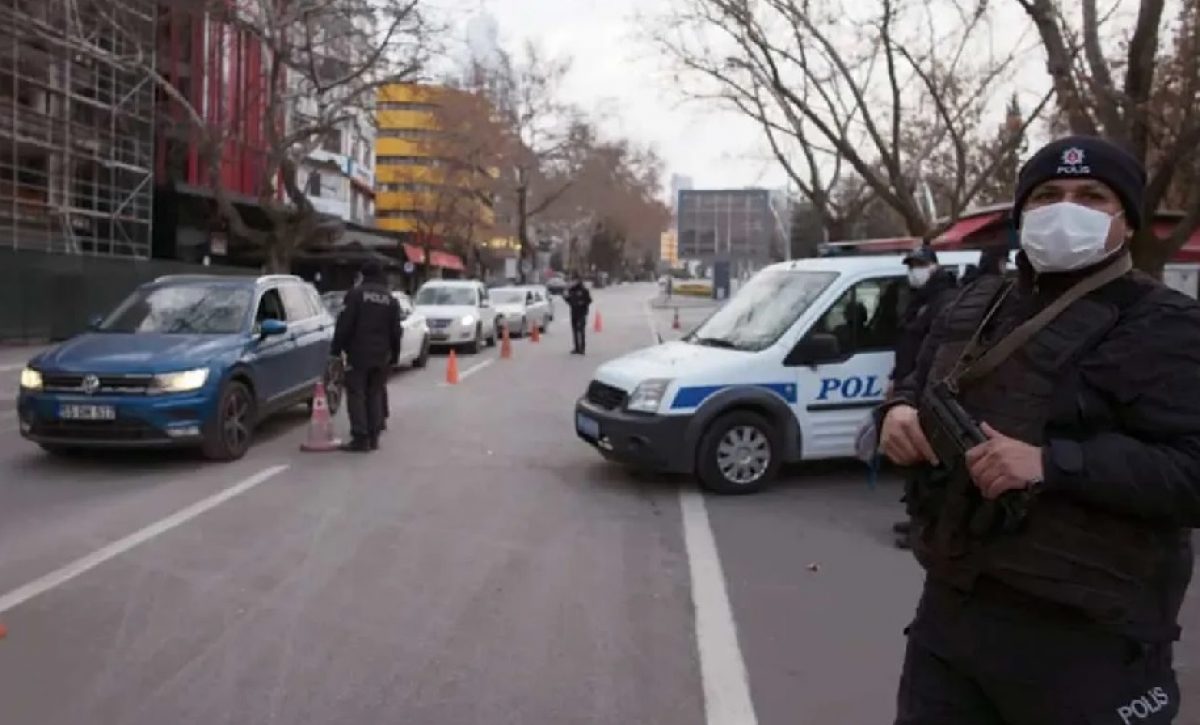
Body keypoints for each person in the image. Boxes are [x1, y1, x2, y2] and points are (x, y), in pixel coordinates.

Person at [879, 135, 1200, 723]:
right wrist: (897, 412)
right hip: (953, 618)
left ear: (1126, 221)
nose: (1063, 207)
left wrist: (1051, 464)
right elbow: (914, 380)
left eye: (1090, 195)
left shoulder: (1169, 326)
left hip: (1088, 641)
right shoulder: (974, 305)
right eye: (1047, 194)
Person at [890, 245, 960, 549]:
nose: (913, 271)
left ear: (932, 266)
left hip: (928, 390)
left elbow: (935, 351)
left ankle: (926, 528)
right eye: (911, 265)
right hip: (911, 386)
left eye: (918, 264)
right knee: (916, 465)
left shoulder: (943, 299)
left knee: (929, 460)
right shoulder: (920, 299)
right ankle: (916, 517)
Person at [332, 262, 400, 452]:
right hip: (381, 355)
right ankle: (374, 436)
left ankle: (360, 437)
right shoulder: (390, 299)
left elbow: (344, 325)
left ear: (363, 275)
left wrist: (335, 350)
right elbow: (396, 331)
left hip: (358, 354)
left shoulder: (355, 295)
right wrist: (395, 355)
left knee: (356, 394)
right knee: (375, 394)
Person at [566, 273, 593, 355]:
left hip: (582, 312)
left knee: (581, 330)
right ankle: (576, 347)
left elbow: (589, 300)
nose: (573, 282)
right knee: (574, 330)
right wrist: (566, 298)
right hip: (574, 312)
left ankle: (582, 348)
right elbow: (570, 301)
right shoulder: (571, 290)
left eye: (574, 280)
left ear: (578, 280)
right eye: (572, 280)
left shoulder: (583, 290)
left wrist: (583, 303)